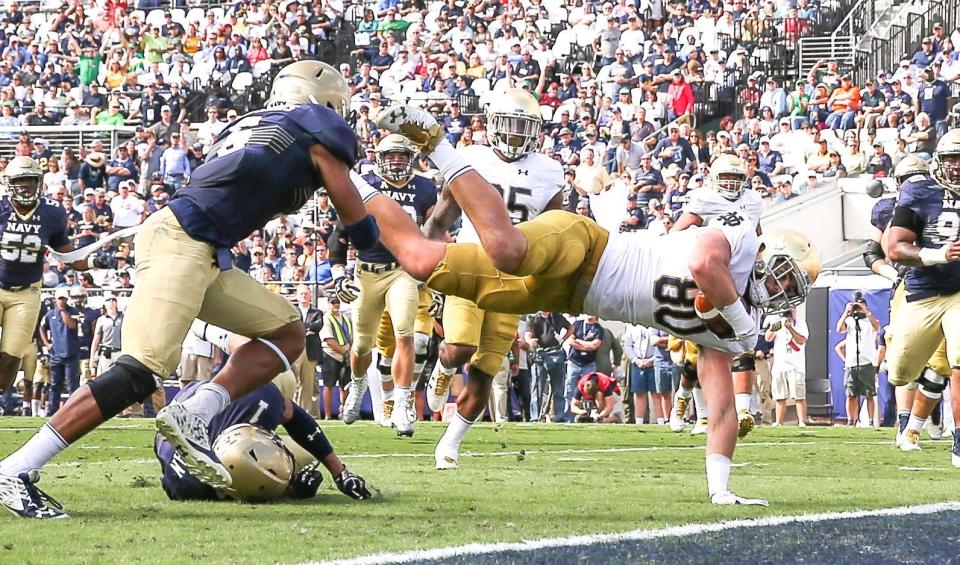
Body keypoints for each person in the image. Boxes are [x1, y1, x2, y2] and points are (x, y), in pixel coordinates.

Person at [359, 105, 820, 504]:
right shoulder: (740, 238)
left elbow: (720, 410)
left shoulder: (729, 327)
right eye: (781, 276)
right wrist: (743, 325)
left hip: (572, 294)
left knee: (420, 261)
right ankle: (437, 141)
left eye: (787, 290)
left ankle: (347, 181)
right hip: (586, 247)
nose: (776, 291)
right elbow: (702, 263)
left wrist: (720, 488)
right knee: (507, 251)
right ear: (769, 253)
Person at [0, 61, 379, 519]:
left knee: (286, 330)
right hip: (184, 240)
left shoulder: (251, 125)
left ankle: (196, 412)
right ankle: (16, 470)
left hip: (205, 251)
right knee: (138, 373)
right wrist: (374, 245)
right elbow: (354, 216)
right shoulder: (312, 128)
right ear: (325, 103)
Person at [421, 89, 564, 469]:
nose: (515, 134)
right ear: (490, 123)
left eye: (523, 127)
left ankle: (449, 444)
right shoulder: (471, 159)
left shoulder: (550, 171)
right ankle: (444, 365)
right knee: (461, 348)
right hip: (471, 263)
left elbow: (556, 231)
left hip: (516, 278)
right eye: (509, 124)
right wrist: (428, 264)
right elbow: (439, 218)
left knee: (487, 369)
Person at [155, 323, 371, 502]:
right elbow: (254, 481)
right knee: (302, 458)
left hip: (191, 405)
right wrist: (293, 491)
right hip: (179, 418)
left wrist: (338, 472)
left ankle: (207, 328)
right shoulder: (188, 487)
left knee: (269, 363)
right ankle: (206, 328)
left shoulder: (187, 487)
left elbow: (296, 419)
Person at [337, 134, 437, 436]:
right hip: (367, 271)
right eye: (390, 155)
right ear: (379, 157)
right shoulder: (365, 184)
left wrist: (436, 281)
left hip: (403, 270)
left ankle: (403, 402)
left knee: (405, 335)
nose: (396, 161)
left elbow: (433, 235)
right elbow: (339, 234)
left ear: (411, 158)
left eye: (401, 156)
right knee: (362, 343)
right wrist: (338, 273)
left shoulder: (424, 187)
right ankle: (356, 384)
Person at [0, 158, 107, 426]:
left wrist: (94, 261)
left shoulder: (52, 212)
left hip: (27, 293)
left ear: (40, 182)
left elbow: (67, 255)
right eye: (20, 181)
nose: (25, 187)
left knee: (10, 357)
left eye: (30, 181)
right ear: (8, 184)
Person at [670, 154, 764, 438]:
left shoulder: (753, 201)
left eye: (737, 179)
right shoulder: (704, 199)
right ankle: (686, 405)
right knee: (696, 350)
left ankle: (743, 410)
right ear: (714, 179)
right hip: (707, 279)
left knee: (741, 344)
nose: (732, 184)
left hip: (738, 278)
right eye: (727, 178)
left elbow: (757, 236)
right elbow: (677, 231)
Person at [886, 130, 960, 460]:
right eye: (950, 159)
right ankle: (909, 422)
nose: (956, 166)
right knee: (900, 370)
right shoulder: (919, 189)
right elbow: (893, 247)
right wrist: (937, 254)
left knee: (956, 362)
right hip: (923, 290)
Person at [834, 291, 880, 427]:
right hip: (852, 362)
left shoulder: (870, 322)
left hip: (867, 362)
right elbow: (839, 329)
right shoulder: (850, 321)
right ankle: (850, 421)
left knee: (869, 393)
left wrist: (866, 312)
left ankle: (871, 421)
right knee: (851, 394)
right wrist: (846, 312)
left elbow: (877, 327)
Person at [525, 311, 572, 423]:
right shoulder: (533, 318)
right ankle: (535, 417)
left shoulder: (556, 316)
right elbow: (528, 335)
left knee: (559, 389)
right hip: (540, 355)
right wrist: (531, 341)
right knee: (538, 389)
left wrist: (563, 339)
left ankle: (559, 416)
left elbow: (571, 328)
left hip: (556, 353)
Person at [765, 309, 809, 426]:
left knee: (799, 396)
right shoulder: (778, 322)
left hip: (796, 365)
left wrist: (790, 328)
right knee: (780, 396)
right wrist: (775, 326)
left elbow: (802, 340)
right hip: (780, 365)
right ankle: (779, 422)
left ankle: (801, 421)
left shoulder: (800, 323)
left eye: (792, 310)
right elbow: (768, 338)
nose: (790, 313)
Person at [319, 295, 352, 420]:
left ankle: (344, 411)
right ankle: (328, 415)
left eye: (337, 302)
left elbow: (351, 336)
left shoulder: (346, 319)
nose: (336, 305)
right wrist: (344, 350)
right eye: (333, 303)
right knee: (329, 385)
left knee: (346, 386)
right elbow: (329, 340)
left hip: (345, 357)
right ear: (328, 304)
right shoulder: (326, 318)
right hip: (331, 355)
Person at [294, 286, 323, 419]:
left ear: (310, 296)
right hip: (295, 349)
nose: (304, 296)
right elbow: (292, 325)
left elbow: (318, 326)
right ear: (297, 296)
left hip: (310, 350)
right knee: (294, 380)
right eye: (302, 294)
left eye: (306, 294)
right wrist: (307, 329)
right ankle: (293, 410)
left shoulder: (317, 312)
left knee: (308, 382)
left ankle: (305, 412)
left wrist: (303, 327)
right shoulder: (292, 310)